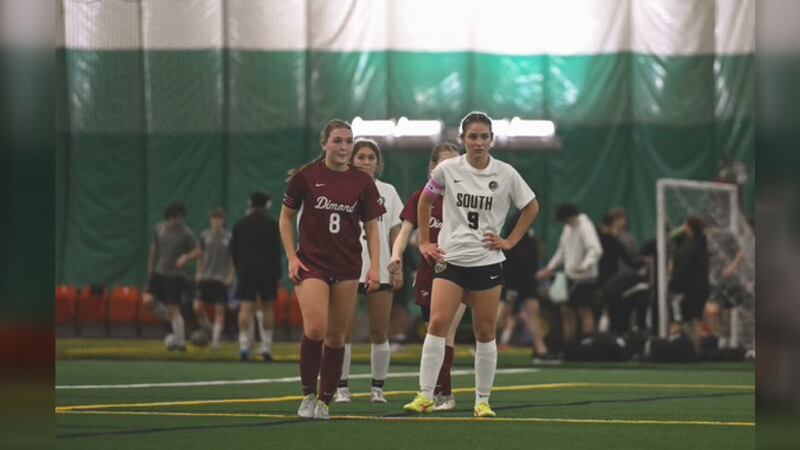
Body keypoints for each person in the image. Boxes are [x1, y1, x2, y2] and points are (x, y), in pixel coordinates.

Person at [403, 112, 540, 418]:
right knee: (437, 324)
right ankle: (426, 396)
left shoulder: (506, 173)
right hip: (450, 259)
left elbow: (531, 206)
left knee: (485, 330)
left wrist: (510, 241)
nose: (478, 143)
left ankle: (482, 400)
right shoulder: (447, 169)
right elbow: (424, 201)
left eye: (484, 137)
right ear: (463, 139)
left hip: (486, 261)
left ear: (492, 140)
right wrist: (425, 241)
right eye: (473, 137)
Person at [279, 119, 385, 420]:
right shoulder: (306, 177)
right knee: (315, 328)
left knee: (337, 337)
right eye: (337, 141)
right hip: (312, 263)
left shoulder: (363, 182)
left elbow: (373, 228)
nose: (343, 147)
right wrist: (291, 256)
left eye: (348, 141)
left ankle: (325, 400)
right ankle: (307, 396)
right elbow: (286, 218)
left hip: (348, 266)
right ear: (324, 143)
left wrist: (374, 267)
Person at [389, 142, 466, 410]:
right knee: (433, 333)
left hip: (459, 273)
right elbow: (405, 231)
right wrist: (395, 255)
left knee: (446, 331)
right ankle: (433, 392)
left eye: (456, 163)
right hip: (427, 275)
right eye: (444, 164)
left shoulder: (467, 198)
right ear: (433, 168)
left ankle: (446, 395)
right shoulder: (420, 198)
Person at [335, 139, 404, 404]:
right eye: (360, 157)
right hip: (347, 268)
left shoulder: (388, 190)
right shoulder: (339, 188)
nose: (365, 161)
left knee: (379, 331)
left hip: (382, 268)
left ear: (378, 162)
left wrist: (397, 263)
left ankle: (378, 389)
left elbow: (397, 229)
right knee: (344, 330)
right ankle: (341, 387)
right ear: (351, 160)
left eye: (370, 157)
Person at [536, 204, 603, 344]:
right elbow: (562, 251)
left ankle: (588, 342)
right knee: (567, 310)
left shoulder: (585, 227)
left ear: (571, 217)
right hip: (571, 276)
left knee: (584, 310)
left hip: (585, 278)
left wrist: (584, 265)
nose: (565, 224)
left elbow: (596, 249)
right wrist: (549, 269)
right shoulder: (568, 229)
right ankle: (569, 343)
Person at [497, 211, 557, 363]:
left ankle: (541, 350)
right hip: (514, 280)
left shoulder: (530, 230)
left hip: (528, 280)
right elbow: (512, 253)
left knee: (533, 312)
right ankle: (482, 344)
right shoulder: (514, 223)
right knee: (503, 313)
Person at [231, 192, 282, 362]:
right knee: (267, 308)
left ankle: (244, 346)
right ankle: (266, 347)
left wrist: (239, 269)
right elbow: (276, 252)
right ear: (267, 205)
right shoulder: (272, 225)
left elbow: (233, 251)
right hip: (267, 271)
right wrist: (277, 274)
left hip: (246, 271)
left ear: (250, 204)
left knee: (245, 307)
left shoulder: (240, 224)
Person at [142, 202, 198, 351]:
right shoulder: (159, 229)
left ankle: (180, 342)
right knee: (148, 300)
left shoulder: (187, 233)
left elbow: (198, 250)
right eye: (175, 218)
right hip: (159, 273)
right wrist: (151, 268)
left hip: (176, 276)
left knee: (175, 308)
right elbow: (154, 248)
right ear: (169, 218)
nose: (178, 221)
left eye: (181, 218)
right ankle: (173, 321)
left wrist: (186, 257)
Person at [193, 208, 234, 349]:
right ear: (211, 220)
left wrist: (230, 276)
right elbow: (200, 254)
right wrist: (199, 272)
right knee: (197, 307)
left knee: (219, 310)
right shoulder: (205, 235)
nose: (216, 221)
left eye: (219, 218)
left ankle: (215, 341)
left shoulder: (229, 237)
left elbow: (234, 258)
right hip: (206, 278)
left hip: (221, 279)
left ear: (223, 220)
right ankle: (208, 329)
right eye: (214, 218)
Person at [668, 215, 710, 351]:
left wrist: (674, 285)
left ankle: (689, 349)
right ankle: (696, 348)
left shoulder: (688, 247)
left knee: (688, 320)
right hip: (702, 286)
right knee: (696, 319)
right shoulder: (702, 244)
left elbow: (682, 269)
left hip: (690, 289)